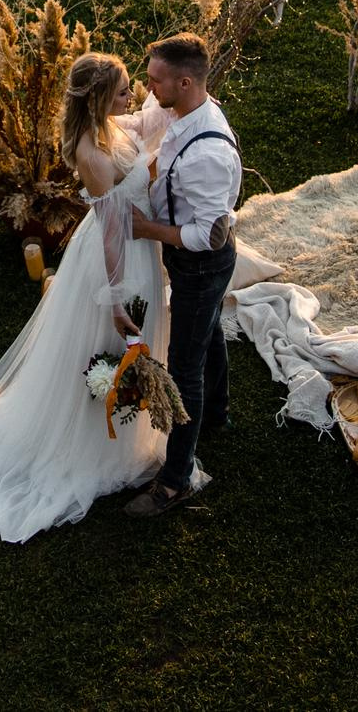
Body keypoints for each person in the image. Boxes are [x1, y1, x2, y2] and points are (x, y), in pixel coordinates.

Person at [0, 51, 176, 542]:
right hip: (118, 258)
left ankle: (121, 434)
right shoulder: (92, 154)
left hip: (137, 245)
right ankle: (93, 444)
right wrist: (114, 299)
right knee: (111, 346)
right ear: (97, 100)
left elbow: (145, 122)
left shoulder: (109, 129)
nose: (130, 96)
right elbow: (114, 230)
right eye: (121, 90)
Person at [125, 32, 242, 519]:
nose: (147, 89)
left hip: (202, 265)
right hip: (191, 265)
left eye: (155, 81)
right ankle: (217, 415)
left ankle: (175, 481)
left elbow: (207, 236)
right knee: (208, 331)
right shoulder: (177, 110)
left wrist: (145, 229)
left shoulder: (208, 154)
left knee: (184, 365)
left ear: (186, 82)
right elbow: (140, 120)